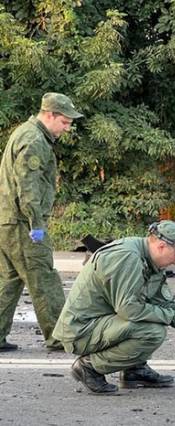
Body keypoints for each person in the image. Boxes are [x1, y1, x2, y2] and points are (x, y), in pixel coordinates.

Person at [52, 220, 175, 394]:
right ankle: (89, 367)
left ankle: (134, 370)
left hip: (102, 322)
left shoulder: (150, 259)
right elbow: (130, 309)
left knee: (154, 317)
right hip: (81, 330)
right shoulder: (128, 257)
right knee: (152, 331)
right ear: (162, 246)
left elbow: (158, 301)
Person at [0, 93, 83, 352]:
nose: (67, 128)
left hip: (8, 221)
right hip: (24, 223)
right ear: (50, 115)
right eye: (65, 122)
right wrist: (36, 223)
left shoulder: (25, 133)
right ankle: (61, 336)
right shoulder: (34, 140)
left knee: (9, 280)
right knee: (43, 278)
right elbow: (29, 186)